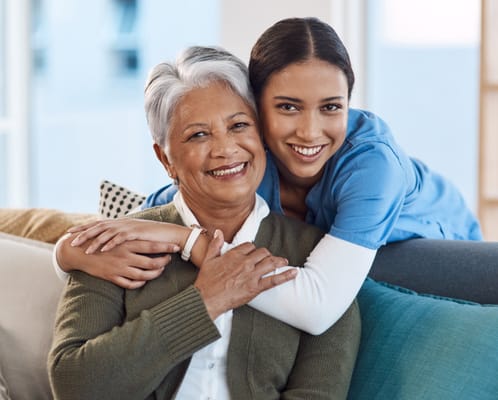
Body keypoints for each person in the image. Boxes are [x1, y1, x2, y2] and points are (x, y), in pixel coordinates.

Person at [56, 16, 482, 335]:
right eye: (288, 107)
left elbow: (317, 309)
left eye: (331, 107)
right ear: (255, 109)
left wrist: (190, 243)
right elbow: (147, 218)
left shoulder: (371, 164)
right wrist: (65, 254)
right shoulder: (248, 159)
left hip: (431, 250)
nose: (310, 132)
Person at [48, 45, 360, 399]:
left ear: (262, 135)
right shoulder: (117, 243)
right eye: (199, 135)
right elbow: (73, 385)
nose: (225, 150)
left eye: (239, 126)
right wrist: (205, 301)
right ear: (166, 159)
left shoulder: (318, 263)